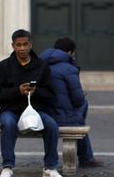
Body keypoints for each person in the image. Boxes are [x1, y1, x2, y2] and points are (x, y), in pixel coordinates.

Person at [0, 29, 63, 177]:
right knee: (8, 124)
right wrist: (17, 91)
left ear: (31, 45)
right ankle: (7, 167)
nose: (22, 48)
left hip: (36, 110)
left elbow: (51, 92)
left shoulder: (42, 66)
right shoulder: (3, 66)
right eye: (18, 45)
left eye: (25, 44)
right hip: (11, 110)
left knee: (51, 125)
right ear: (13, 46)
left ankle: (50, 167)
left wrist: (36, 91)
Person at [39, 37, 102, 167]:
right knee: (81, 109)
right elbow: (77, 98)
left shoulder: (40, 64)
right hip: (60, 117)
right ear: (69, 52)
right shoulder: (68, 69)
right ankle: (86, 157)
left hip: (42, 114)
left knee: (77, 117)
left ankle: (87, 157)